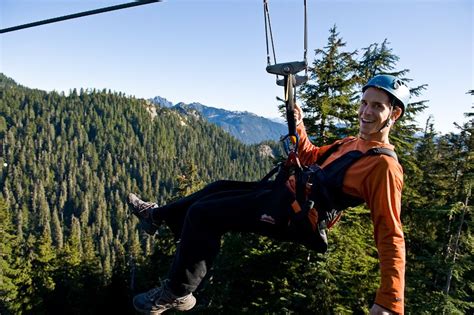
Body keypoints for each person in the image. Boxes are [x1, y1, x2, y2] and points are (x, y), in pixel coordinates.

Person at [128, 74, 409, 315]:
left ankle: (177, 292)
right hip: (287, 195)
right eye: (363, 103)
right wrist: (298, 123)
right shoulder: (352, 143)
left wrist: (390, 301)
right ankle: (156, 216)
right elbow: (311, 156)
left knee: (204, 214)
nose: (365, 112)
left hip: (297, 216)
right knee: (218, 188)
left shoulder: (382, 166)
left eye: (377, 107)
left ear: (393, 114)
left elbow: (390, 232)